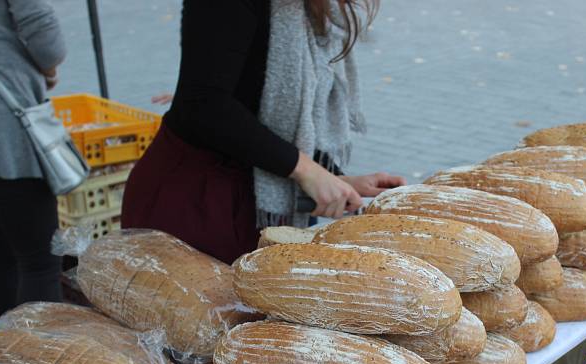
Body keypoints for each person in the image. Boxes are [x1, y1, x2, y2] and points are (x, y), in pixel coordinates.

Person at [121, 0, 405, 265]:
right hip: (194, 204)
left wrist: (336, 179)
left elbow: (275, 114)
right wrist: (307, 171)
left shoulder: (303, 8)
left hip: (255, 204)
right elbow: (203, 106)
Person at [0, 0, 66, 320]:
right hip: (1, 124)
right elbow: (44, 34)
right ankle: (39, 361)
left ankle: (9, 356)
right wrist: (48, 66)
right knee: (39, 261)